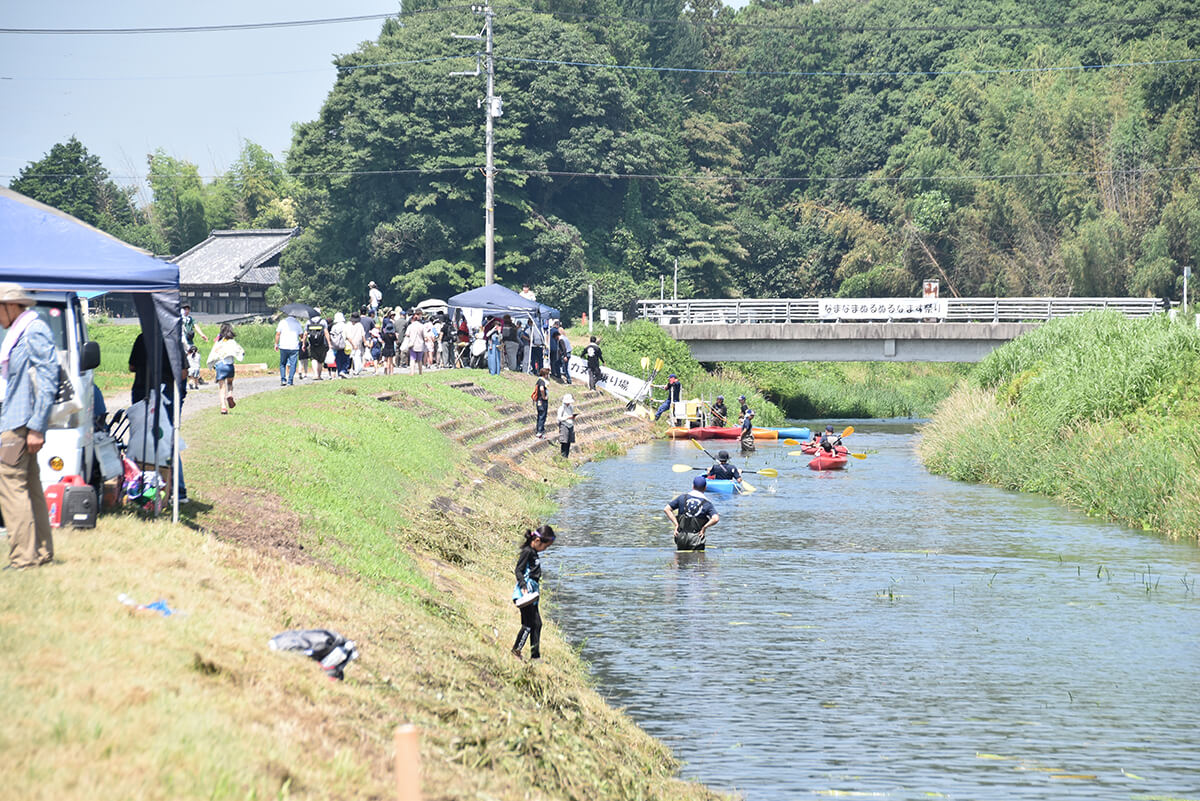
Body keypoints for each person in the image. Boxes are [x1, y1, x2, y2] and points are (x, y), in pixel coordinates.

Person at [0, 283, 57, 569]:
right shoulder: (20, 330)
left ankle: (23, 558)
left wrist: (37, 427)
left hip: (20, 423)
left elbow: (48, 378)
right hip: (20, 421)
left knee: (11, 488)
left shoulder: (32, 330)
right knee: (30, 487)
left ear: (11, 306)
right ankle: (42, 552)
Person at [511, 524, 556, 661]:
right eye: (545, 546)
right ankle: (516, 650)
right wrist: (523, 586)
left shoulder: (534, 552)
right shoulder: (527, 551)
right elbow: (518, 570)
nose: (545, 549)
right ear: (537, 541)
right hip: (526, 593)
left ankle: (535, 656)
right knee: (529, 624)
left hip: (533, 593)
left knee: (536, 623)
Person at [663, 475, 719, 551]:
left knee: (681, 559)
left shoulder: (682, 498)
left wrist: (676, 524)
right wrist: (704, 527)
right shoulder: (707, 503)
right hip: (697, 538)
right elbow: (715, 518)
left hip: (681, 537)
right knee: (698, 561)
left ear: (693, 486)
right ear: (705, 488)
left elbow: (667, 509)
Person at [207, 323, 244, 414]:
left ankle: (223, 407)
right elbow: (240, 351)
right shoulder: (232, 342)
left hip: (220, 366)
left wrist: (211, 364)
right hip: (230, 366)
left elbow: (213, 354)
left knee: (221, 387)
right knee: (230, 383)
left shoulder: (219, 342)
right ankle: (230, 394)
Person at [275, 313, 304, 386]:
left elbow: (278, 334)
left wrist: (276, 344)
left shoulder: (282, 322)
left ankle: (283, 379)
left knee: (282, 364)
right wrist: (303, 341)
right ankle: (290, 381)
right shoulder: (297, 323)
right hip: (294, 347)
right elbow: (301, 335)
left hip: (283, 346)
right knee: (293, 364)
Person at [306, 315, 331, 380]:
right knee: (320, 360)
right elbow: (326, 333)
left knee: (313, 359)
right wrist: (329, 343)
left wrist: (303, 343)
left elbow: (305, 333)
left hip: (312, 344)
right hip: (321, 343)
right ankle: (319, 375)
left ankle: (315, 374)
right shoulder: (323, 321)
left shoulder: (308, 322)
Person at [402, 311, 427, 376]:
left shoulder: (410, 326)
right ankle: (420, 373)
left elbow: (407, 334)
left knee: (412, 359)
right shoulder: (422, 326)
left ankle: (412, 372)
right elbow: (425, 336)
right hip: (420, 344)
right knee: (419, 360)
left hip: (412, 344)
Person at [329, 312, 351, 378]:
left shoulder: (334, 327)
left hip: (336, 346)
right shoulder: (345, 326)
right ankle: (343, 371)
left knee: (338, 359)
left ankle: (339, 373)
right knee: (346, 359)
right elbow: (348, 336)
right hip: (345, 345)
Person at [532, 367, 550, 439]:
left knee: (540, 416)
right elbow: (542, 389)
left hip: (539, 401)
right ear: (545, 374)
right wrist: (544, 397)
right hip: (542, 401)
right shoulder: (542, 381)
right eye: (547, 374)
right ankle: (540, 432)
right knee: (542, 416)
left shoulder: (539, 380)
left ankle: (540, 431)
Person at [557, 393, 577, 457]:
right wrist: (567, 417)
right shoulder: (561, 408)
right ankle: (563, 456)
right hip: (564, 425)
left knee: (569, 441)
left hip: (570, 424)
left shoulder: (571, 407)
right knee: (564, 441)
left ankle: (567, 455)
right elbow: (559, 418)